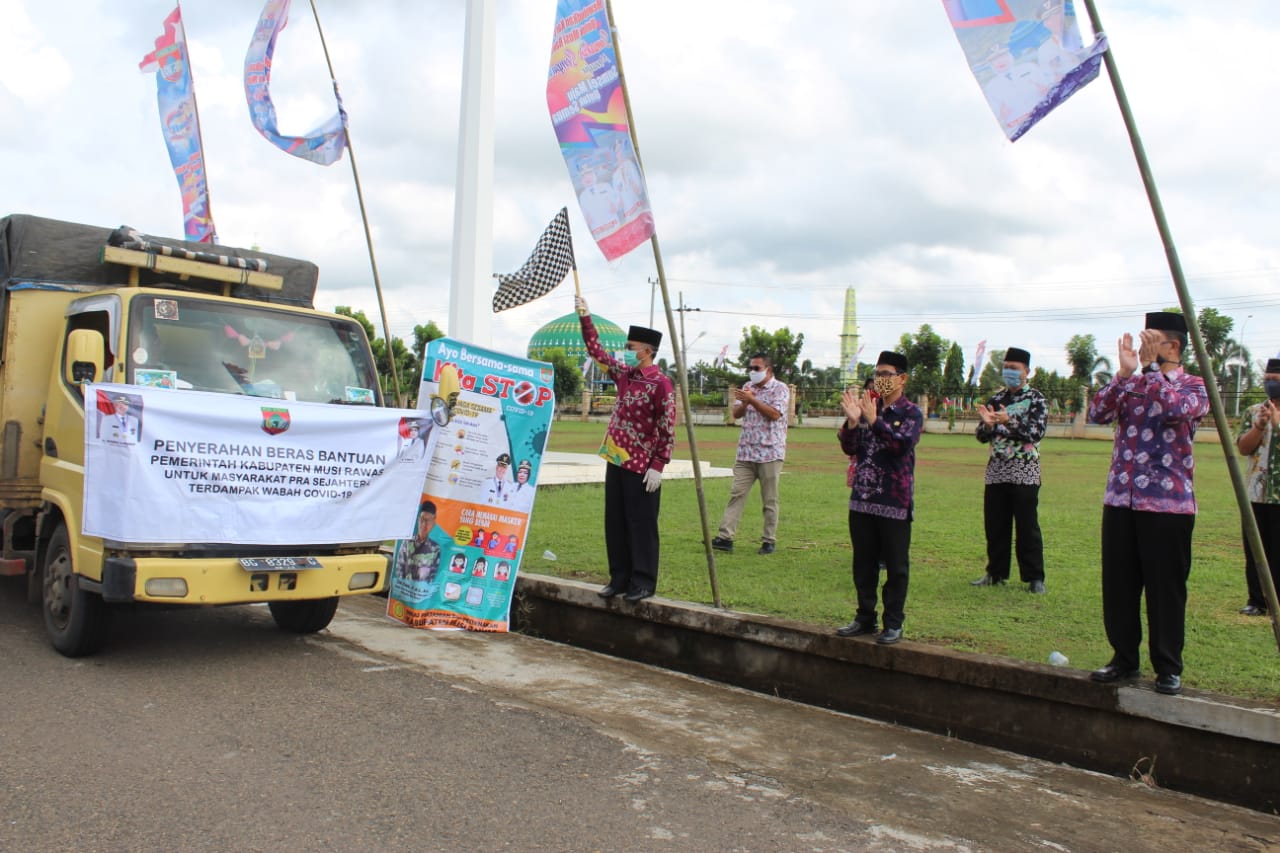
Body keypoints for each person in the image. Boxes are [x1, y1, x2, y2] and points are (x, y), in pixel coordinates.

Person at [1087, 311, 1208, 696]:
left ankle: (1168, 667)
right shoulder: (1133, 384)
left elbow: (1175, 410)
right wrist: (1124, 375)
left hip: (1168, 506)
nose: (1142, 348)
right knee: (1119, 586)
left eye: (1150, 341)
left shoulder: (1194, 386)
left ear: (1173, 345)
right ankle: (1123, 659)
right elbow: (1097, 413)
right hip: (1121, 500)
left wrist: (1153, 371)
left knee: (1165, 589)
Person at [576, 294, 676, 603]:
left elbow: (667, 426)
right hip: (616, 458)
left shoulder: (660, 383)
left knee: (641, 524)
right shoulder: (624, 375)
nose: (626, 351)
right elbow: (596, 350)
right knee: (616, 522)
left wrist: (658, 465)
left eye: (631, 347)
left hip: (642, 465)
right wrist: (585, 317)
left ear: (647, 350)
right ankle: (619, 578)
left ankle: (643, 581)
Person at [834, 351, 923, 645]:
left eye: (886, 374)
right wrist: (852, 423)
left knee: (896, 566)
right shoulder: (867, 407)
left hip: (894, 501)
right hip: (862, 498)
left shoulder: (911, 413)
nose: (880, 379)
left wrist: (875, 421)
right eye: (877, 374)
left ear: (902, 378)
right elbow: (850, 448)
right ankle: (865, 617)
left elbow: (900, 446)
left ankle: (893, 622)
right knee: (863, 563)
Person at [971, 346, 1048, 593]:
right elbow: (981, 436)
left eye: (1014, 368)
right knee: (995, 526)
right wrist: (987, 426)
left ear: (1027, 371)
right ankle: (995, 573)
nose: (1009, 372)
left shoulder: (1036, 399)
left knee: (1027, 527)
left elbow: (1035, 433)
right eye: (1006, 368)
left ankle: (1035, 578)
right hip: (997, 471)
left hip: (1024, 471)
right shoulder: (996, 400)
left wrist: (1008, 421)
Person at [711, 353, 790, 555]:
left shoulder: (780, 389)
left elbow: (774, 414)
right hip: (746, 452)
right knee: (736, 494)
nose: (752, 372)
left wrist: (752, 400)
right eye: (751, 368)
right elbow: (736, 414)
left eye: (757, 368)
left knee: (770, 499)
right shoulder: (748, 386)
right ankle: (725, 537)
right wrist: (745, 402)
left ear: (768, 370)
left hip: (770, 453)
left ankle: (768, 540)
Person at [1234, 357, 1280, 616]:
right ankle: (1257, 600)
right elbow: (1243, 448)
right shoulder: (1253, 411)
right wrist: (1260, 427)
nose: (1270, 384)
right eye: (1267, 379)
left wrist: (1277, 424)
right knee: (1255, 549)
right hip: (1255, 493)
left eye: (1275, 380)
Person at [395, 500, 445, 584]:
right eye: (422, 519)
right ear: (418, 520)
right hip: (404, 588)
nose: (424, 524)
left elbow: (433, 575)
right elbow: (399, 566)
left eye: (428, 520)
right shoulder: (407, 541)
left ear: (433, 523)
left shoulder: (436, 548)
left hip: (421, 590)